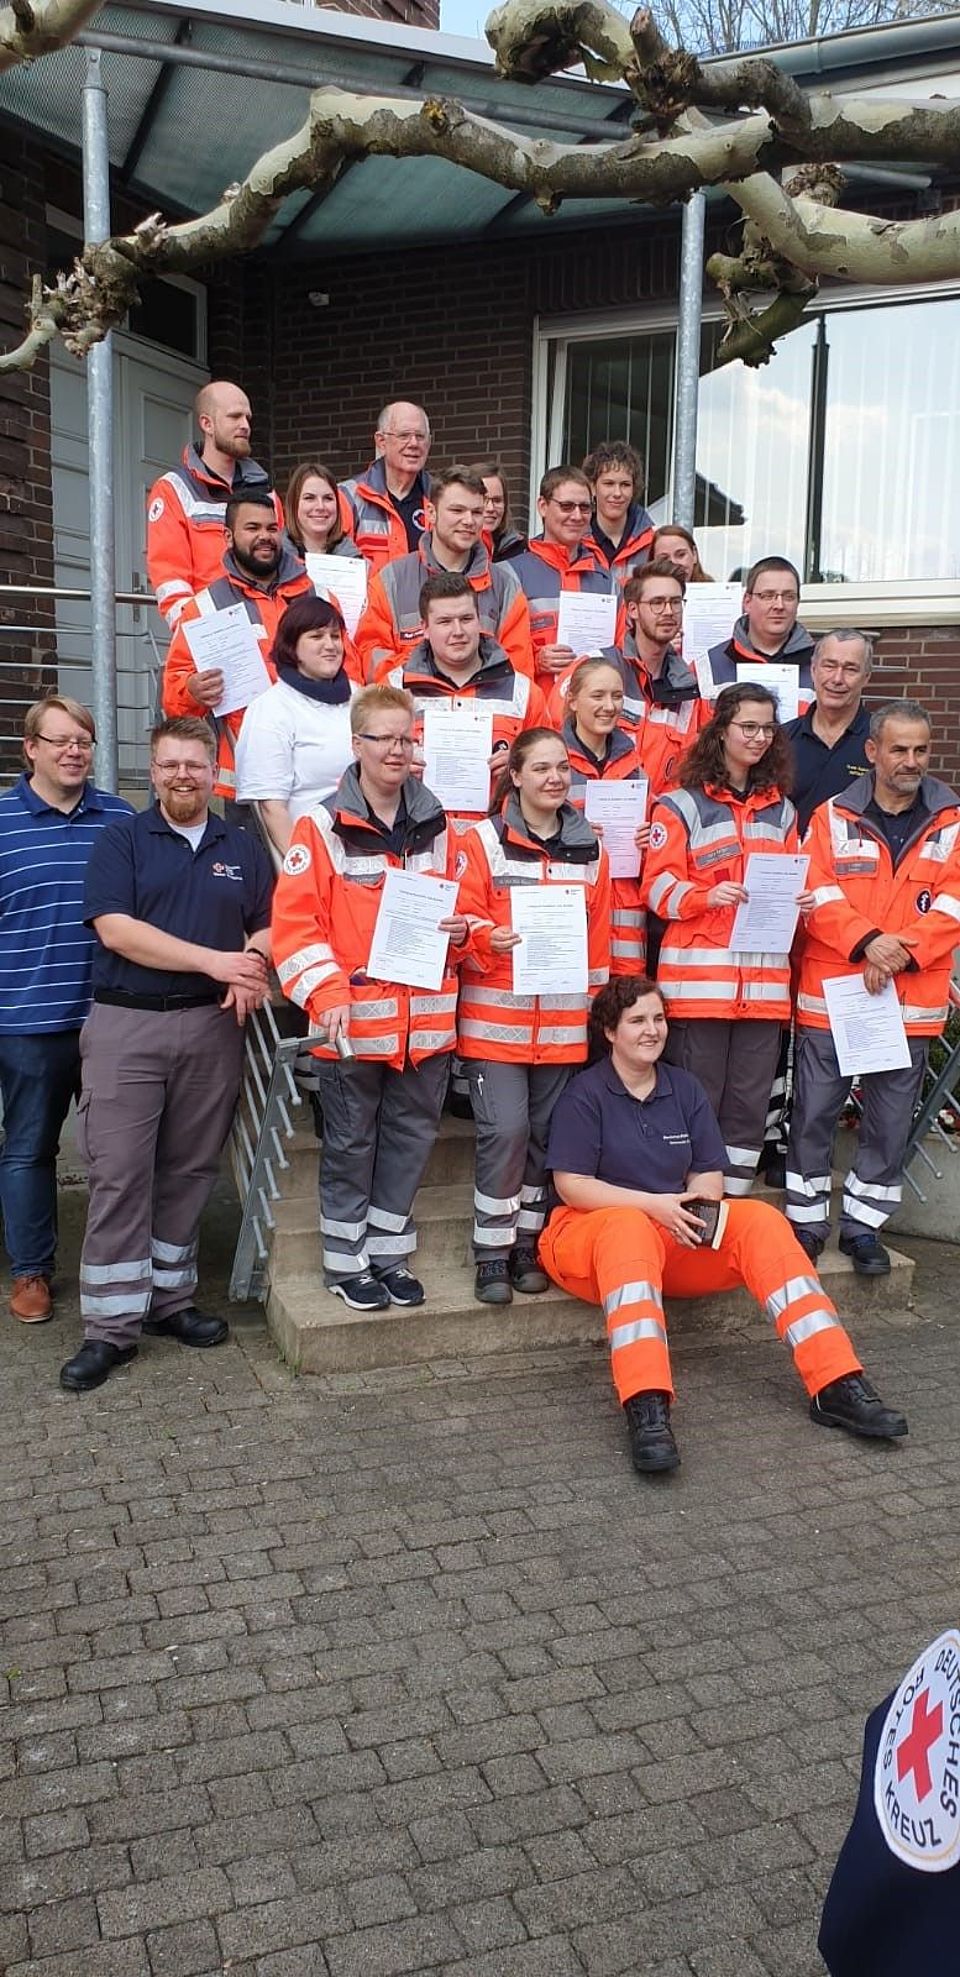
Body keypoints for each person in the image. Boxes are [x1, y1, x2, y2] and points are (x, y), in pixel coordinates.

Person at [540, 975, 907, 1475]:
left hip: (670, 1237)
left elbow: (708, 1171)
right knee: (626, 1228)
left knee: (759, 1219)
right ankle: (646, 1406)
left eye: (659, 1019)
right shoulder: (587, 1094)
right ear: (609, 1031)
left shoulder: (683, 1087)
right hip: (589, 1240)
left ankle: (836, 1381)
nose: (652, 1031)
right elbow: (572, 1185)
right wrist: (656, 1206)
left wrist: (700, 1205)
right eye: (637, 1021)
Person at [59, 717, 274, 1395]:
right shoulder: (120, 837)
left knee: (189, 1169)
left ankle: (169, 1301)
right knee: (120, 1172)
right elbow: (115, 930)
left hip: (210, 1029)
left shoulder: (241, 844)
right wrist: (219, 961)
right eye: (170, 763)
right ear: (151, 770)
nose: (184, 774)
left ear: (215, 771)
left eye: (196, 764)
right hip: (129, 1024)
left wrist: (255, 965)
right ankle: (109, 1328)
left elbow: (268, 922)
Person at [271, 685, 467, 1312]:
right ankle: (342, 1260)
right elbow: (297, 930)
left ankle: (388, 1252)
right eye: (381, 737)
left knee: (411, 1139)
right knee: (351, 1145)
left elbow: (469, 915)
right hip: (353, 1025)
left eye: (405, 738)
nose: (395, 749)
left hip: (427, 1027)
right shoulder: (320, 826)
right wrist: (328, 997)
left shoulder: (444, 828)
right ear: (356, 744)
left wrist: (465, 934)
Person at [786, 700, 960, 1274]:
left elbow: (954, 907)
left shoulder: (953, 822)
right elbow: (816, 896)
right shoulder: (830, 819)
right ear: (872, 752)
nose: (910, 761)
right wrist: (868, 944)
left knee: (888, 1124)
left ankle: (864, 1227)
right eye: (898, 749)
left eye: (920, 750)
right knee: (813, 1113)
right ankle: (807, 1221)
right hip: (835, 996)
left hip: (907, 1002)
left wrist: (898, 950)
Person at [455, 728, 611, 1307]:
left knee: (548, 1137)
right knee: (506, 1131)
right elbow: (461, 915)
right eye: (540, 768)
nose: (553, 778)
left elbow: (602, 936)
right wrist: (485, 937)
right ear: (514, 776)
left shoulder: (592, 845)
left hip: (566, 1025)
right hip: (496, 1023)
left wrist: (601, 1010)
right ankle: (491, 1252)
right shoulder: (482, 841)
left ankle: (528, 1242)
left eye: (562, 768)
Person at [642, 682, 806, 1196]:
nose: (759, 738)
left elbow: (797, 880)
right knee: (698, 1100)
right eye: (748, 727)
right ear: (720, 732)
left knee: (750, 1105)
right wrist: (704, 896)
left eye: (767, 728)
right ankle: (691, 1200)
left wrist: (801, 902)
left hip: (764, 992)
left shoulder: (784, 812)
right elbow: (656, 889)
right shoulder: (679, 806)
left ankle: (730, 1203)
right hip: (699, 990)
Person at [0, 698, 132, 1326]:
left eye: (84, 740)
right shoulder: (1, 820)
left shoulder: (121, 817)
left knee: (121, 1151)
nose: (74, 751)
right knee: (30, 1148)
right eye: (60, 741)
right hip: (26, 1023)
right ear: (31, 748)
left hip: (112, 1016)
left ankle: (122, 1265)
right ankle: (31, 1271)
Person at [161, 490, 314, 800]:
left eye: (272, 528)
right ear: (228, 536)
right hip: (245, 780)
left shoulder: (317, 596)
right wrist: (192, 690)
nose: (265, 537)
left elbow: (349, 673)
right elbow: (172, 696)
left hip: (316, 770)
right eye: (252, 528)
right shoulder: (204, 608)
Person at [381, 573, 549, 828]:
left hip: (498, 843)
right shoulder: (391, 690)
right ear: (424, 628)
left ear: (479, 621)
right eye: (445, 621)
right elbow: (364, 771)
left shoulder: (524, 694)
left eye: (466, 619)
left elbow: (551, 772)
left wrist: (522, 767)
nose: (458, 631)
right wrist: (393, 766)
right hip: (415, 841)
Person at [357, 466, 532, 682]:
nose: (469, 521)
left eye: (476, 512)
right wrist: (434, 675)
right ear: (431, 513)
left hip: (482, 712)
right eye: (457, 511)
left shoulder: (506, 588)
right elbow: (370, 658)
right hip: (412, 708)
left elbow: (518, 673)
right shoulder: (391, 580)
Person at [547, 560, 703, 801]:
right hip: (582, 818)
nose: (669, 611)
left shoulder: (688, 689)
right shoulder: (593, 666)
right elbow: (551, 741)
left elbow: (688, 769)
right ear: (632, 610)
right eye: (657, 603)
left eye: (675, 602)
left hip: (653, 827)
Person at [147, 380, 281, 631]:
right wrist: (199, 636)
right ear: (206, 424)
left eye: (248, 418)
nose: (245, 426)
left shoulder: (266, 492)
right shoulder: (174, 489)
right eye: (235, 417)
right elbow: (171, 580)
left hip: (266, 635)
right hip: (211, 635)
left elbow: (282, 566)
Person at [234, 595, 356, 856]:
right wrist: (304, 871)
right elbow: (271, 809)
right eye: (317, 637)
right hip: (315, 855)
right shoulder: (270, 709)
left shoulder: (361, 698)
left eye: (335, 636)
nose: (330, 645)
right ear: (292, 646)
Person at [562, 659, 649, 975]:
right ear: (572, 700)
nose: (609, 706)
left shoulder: (635, 766)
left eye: (617, 696)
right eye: (597, 696)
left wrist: (648, 840)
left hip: (625, 920)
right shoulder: (551, 762)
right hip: (571, 913)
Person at [512, 467, 619, 689]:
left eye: (585, 507)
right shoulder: (509, 574)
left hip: (590, 713)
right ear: (543, 506)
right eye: (567, 506)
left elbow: (622, 653)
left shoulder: (608, 582)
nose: (577, 516)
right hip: (535, 713)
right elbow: (492, 651)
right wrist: (535, 660)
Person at [782, 630, 873, 835]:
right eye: (829, 666)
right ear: (813, 670)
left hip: (857, 865)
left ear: (866, 677)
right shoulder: (781, 739)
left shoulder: (882, 742)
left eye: (850, 669)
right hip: (791, 861)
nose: (837, 678)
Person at [706, 556, 815, 709]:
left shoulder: (820, 665)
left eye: (789, 596)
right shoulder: (710, 665)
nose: (779, 605)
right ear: (747, 602)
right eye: (768, 596)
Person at [341, 400, 432, 571]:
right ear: (381, 441)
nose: (414, 443)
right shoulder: (347, 498)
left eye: (420, 436)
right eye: (404, 435)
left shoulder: (440, 498)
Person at [582, 441, 654, 589]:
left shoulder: (653, 543)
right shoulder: (574, 540)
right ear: (592, 487)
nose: (617, 493)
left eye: (625, 485)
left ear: (634, 489)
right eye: (609, 484)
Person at [283, 460, 363, 561]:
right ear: (293, 504)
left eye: (328, 498)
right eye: (309, 498)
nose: (320, 506)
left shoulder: (358, 563)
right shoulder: (274, 562)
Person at [470, 460, 527, 562]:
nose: (491, 508)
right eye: (484, 500)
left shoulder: (521, 551)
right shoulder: (450, 550)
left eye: (497, 500)